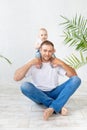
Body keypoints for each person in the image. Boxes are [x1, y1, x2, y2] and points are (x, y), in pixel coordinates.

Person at [14, 40, 81, 120]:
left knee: (76, 80)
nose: (47, 54)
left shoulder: (55, 63)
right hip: (38, 94)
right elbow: (16, 78)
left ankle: (52, 108)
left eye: (50, 51)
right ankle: (57, 106)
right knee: (24, 86)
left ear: (53, 52)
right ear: (40, 50)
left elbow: (74, 76)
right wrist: (31, 62)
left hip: (54, 92)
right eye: (45, 50)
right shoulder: (34, 63)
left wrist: (62, 63)